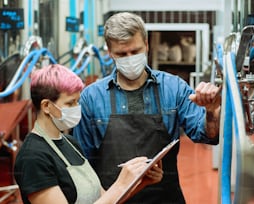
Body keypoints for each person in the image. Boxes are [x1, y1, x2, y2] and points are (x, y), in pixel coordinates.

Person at [73, 12, 221, 203]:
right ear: (109, 52)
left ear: (147, 44)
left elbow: (207, 135)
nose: (130, 58)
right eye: (121, 54)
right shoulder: (92, 98)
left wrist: (210, 112)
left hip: (166, 199)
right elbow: (83, 167)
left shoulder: (173, 88)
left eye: (135, 51)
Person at [14, 64, 163, 204]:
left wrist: (139, 182)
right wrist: (120, 184)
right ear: (46, 106)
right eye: (70, 103)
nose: (77, 108)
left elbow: (104, 199)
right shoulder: (32, 157)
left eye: (77, 101)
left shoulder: (70, 143)